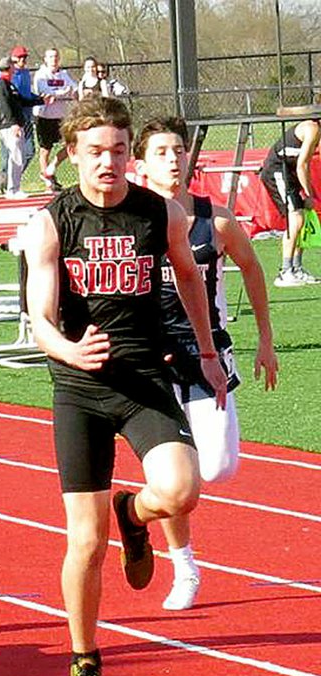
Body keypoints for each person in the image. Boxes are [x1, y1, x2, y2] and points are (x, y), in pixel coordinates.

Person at [23, 97, 227, 676]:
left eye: (117, 149)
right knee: (83, 543)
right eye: (95, 152)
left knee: (181, 490)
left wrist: (210, 355)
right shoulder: (52, 223)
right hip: (81, 389)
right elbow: (38, 315)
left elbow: (190, 278)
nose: (108, 161)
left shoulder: (157, 212)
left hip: (143, 379)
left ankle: (133, 515)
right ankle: (85, 657)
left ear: (129, 152)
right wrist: (65, 349)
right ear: (71, 156)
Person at [133, 116, 279, 610]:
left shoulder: (214, 220)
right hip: (153, 358)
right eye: (161, 152)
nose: (173, 159)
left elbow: (252, 268)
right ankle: (185, 567)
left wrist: (265, 337)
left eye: (178, 150)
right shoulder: (132, 223)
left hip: (208, 352)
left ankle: (134, 510)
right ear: (142, 164)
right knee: (179, 480)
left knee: (216, 467)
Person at [259, 117, 321, 286]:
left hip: (291, 173)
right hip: (277, 171)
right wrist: (308, 194)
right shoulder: (312, 128)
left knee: (304, 217)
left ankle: (297, 267)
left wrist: (311, 194)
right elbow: (302, 165)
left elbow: (304, 165)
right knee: (296, 218)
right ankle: (285, 272)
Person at [0, 45, 41, 193]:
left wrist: (39, 100)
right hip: (10, 121)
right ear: (13, 60)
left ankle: (10, 179)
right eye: (20, 57)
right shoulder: (2, 78)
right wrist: (9, 114)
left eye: (25, 57)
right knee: (11, 154)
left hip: (24, 117)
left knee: (28, 152)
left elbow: (25, 96)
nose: (23, 60)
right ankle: (8, 181)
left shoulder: (24, 73)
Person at [33, 48, 77, 192]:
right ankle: (48, 180)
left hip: (61, 116)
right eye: (51, 57)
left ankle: (52, 167)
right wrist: (63, 92)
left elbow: (74, 88)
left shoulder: (63, 74)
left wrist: (66, 92)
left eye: (56, 57)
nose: (54, 60)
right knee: (45, 148)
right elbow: (45, 91)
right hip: (44, 116)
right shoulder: (41, 74)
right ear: (45, 59)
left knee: (71, 144)